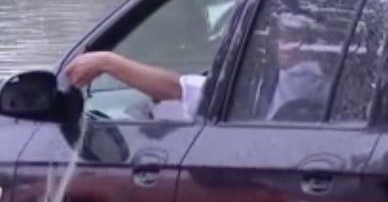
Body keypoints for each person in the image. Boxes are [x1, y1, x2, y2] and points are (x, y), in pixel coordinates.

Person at [64, 12, 330, 122]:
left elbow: (181, 91)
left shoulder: (305, 78)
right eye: (282, 36)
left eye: (295, 37)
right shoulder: (322, 79)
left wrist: (109, 62)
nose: (285, 45)